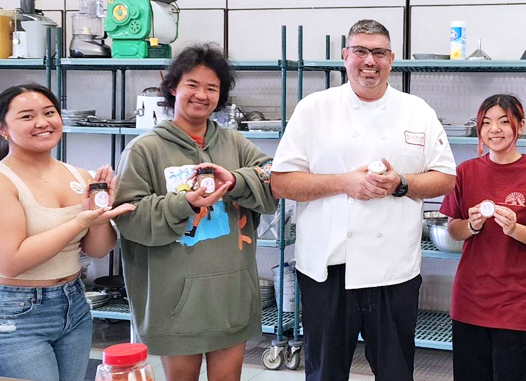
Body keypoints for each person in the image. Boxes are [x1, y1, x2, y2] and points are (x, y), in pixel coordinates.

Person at [270, 19, 457, 381]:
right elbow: (281, 182)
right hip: (327, 267)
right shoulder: (314, 108)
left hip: (394, 269)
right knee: (325, 371)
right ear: (345, 56)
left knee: (396, 372)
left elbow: (446, 178)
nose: (369, 61)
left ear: (391, 59)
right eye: (360, 51)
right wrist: (345, 183)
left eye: (379, 52)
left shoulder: (418, 110)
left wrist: (400, 183)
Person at [113, 43, 277, 381]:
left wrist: (235, 180)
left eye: (212, 88)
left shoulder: (234, 143)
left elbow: (272, 176)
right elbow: (128, 217)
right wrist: (183, 203)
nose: (201, 95)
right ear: (173, 87)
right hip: (175, 300)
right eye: (192, 84)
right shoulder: (144, 150)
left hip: (230, 294)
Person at [0, 83, 134, 381]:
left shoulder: (79, 176)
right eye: (26, 116)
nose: (42, 122)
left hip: (74, 303)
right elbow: (12, 260)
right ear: (3, 129)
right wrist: (80, 222)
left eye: (49, 112)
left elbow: (98, 250)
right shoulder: (4, 181)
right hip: (16, 311)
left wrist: (100, 216)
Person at [440, 94, 526, 381]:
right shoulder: (465, 172)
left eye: (504, 122)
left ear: (520, 125)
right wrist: (471, 225)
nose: (494, 130)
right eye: (486, 123)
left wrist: (515, 229)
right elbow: (453, 228)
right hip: (470, 299)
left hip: (519, 303)